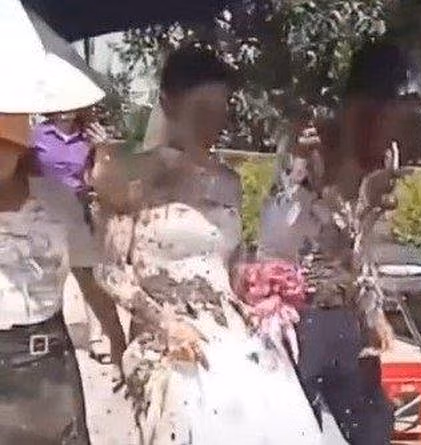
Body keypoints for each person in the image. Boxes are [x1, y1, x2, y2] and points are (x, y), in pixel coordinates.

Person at [91, 45, 323, 444]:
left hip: (230, 332)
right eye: (201, 110)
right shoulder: (132, 175)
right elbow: (109, 271)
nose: (212, 123)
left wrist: (260, 293)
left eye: (221, 110)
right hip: (167, 338)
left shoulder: (229, 182)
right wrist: (167, 326)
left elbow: (231, 264)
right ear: (169, 104)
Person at [258, 40, 412, 444]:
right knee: (302, 426)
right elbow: (275, 236)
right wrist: (302, 175)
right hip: (299, 317)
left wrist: (372, 310)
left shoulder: (380, 158)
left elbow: (362, 244)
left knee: (369, 425)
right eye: (380, 109)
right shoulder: (311, 151)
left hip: (345, 318)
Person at [0, 113, 91, 443]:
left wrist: (117, 340)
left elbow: (87, 271)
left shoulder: (57, 200)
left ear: (21, 147)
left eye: (3, 144)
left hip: (46, 364)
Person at [32, 110, 127, 365]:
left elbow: (104, 180)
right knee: (48, 281)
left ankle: (108, 340)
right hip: (44, 216)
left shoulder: (90, 136)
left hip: (78, 213)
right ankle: (51, 339)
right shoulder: (37, 135)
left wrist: (102, 149)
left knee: (92, 281)